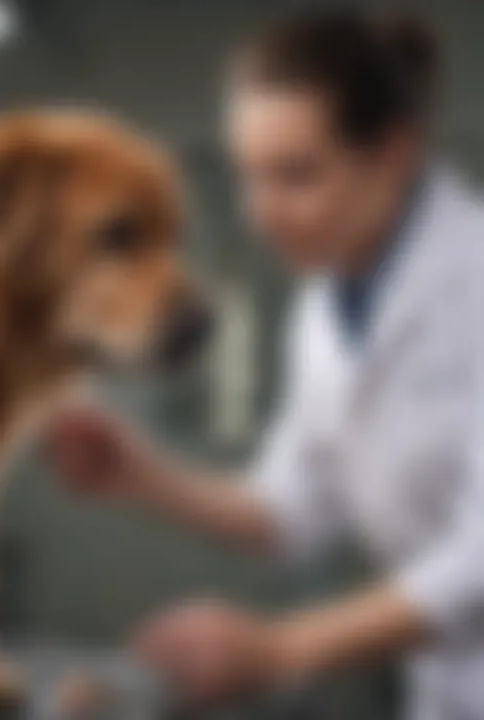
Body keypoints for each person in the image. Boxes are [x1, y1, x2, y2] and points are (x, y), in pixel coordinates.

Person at [46, 7, 484, 720]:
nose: (261, 215)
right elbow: (290, 510)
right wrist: (141, 476)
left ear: (395, 154)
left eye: (297, 176)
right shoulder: (323, 310)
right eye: (249, 176)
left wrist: (283, 648)